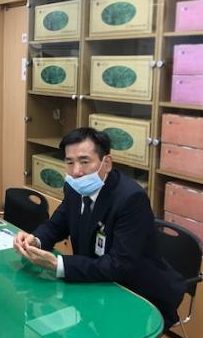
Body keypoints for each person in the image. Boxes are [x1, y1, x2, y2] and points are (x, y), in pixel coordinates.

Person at [14, 127, 185, 329]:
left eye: (85, 162)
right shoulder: (74, 187)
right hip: (96, 282)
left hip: (135, 291)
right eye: (70, 162)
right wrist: (35, 240)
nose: (76, 171)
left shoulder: (131, 199)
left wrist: (57, 264)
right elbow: (56, 225)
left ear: (107, 163)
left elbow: (119, 265)